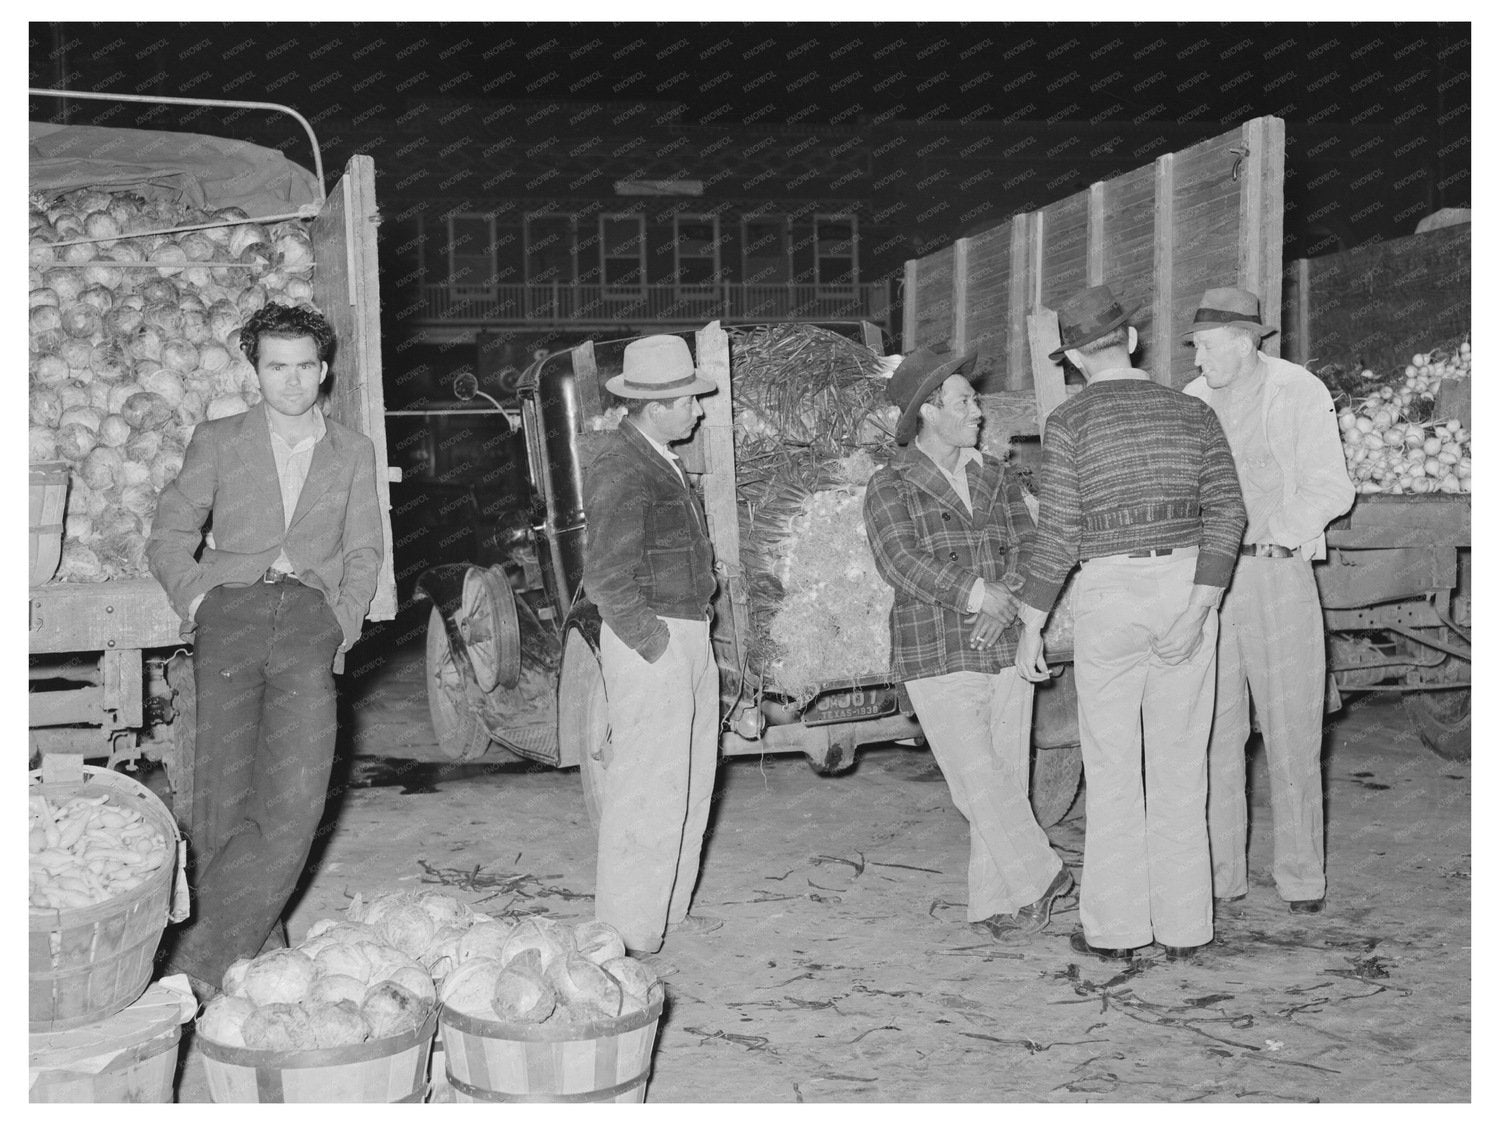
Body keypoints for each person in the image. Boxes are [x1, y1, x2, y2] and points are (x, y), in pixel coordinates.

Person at [147, 302, 383, 998]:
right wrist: (199, 601)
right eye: (277, 366)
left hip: (309, 619)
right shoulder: (219, 440)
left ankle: (189, 964)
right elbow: (169, 534)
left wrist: (340, 621)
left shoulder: (352, 450)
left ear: (324, 369)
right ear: (256, 370)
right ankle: (249, 956)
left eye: (305, 365)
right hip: (231, 616)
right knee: (221, 800)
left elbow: (365, 549)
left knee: (295, 801)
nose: (293, 380)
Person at [1013, 285, 1247, 962]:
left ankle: (1116, 931)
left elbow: (1058, 534)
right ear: (1134, 342)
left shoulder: (1069, 422)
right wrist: (1199, 609)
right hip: (1185, 586)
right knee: (1181, 765)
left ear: (1074, 359)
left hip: (1110, 593)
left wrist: (1031, 624)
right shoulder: (1192, 411)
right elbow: (1227, 513)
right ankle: (1185, 928)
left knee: (1113, 769)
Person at [863, 346, 1074, 940]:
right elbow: (899, 560)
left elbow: (1030, 546)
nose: (978, 410)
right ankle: (1043, 872)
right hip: (936, 646)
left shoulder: (996, 475)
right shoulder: (890, 484)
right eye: (965, 401)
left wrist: (1004, 600)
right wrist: (979, 595)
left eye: (975, 400)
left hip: (1001, 639)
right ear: (928, 412)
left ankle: (998, 905)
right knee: (973, 777)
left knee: (1004, 776)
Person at [1182, 287, 1356, 915]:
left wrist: (1272, 536)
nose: (1197, 358)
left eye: (1206, 345)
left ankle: (1301, 878)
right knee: (1215, 731)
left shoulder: (1297, 390)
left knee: (1293, 730)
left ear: (1242, 340)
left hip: (1278, 578)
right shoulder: (1194, 399)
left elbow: (1330, 488)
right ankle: (1222, 876)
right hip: (1212, 584)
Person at [581, 334, 724, 954]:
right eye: (688, 400)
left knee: (690, 780)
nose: (697, 409)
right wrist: (656, 644)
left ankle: (667, 912)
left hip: (688, 632)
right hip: (652, 639)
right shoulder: (621, 466)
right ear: (657, 406)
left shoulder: (660, 457)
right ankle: (627, 930)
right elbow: (606, 578)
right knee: (646, 788)